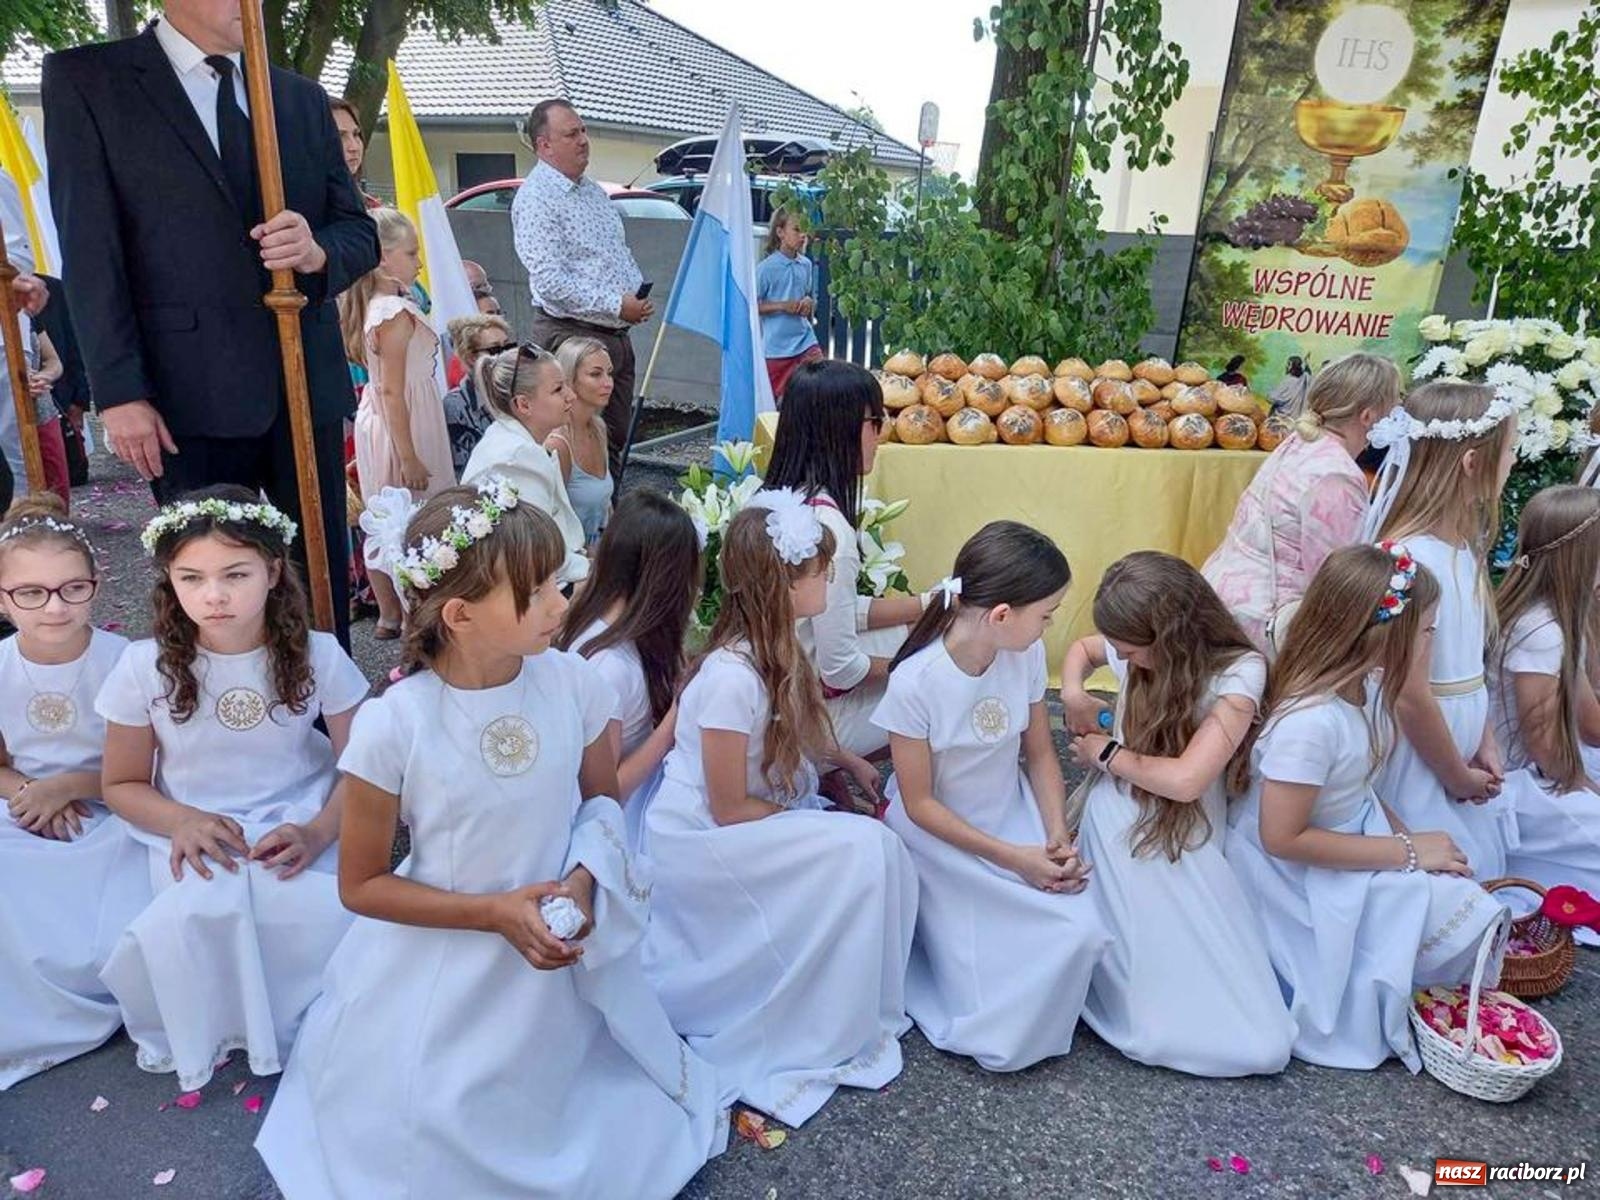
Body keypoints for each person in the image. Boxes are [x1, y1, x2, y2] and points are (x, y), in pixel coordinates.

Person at [258, 480, 729, 1199]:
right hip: (446, 946)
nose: (561, 604)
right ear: (460, 614)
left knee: (583, 1104)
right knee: (434, 1124)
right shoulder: (396, 723)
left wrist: (583, 880)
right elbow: (361, 884)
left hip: (556, 942)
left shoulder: (573, 684)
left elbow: (601, 802)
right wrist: (494, 913)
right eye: (535, 593)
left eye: (557, 582)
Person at [43, 3, 381, 644]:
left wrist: (316, 252)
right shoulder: (90, 81)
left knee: (316, 585)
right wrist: (120, 392)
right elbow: (90, 254)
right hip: (182, 395)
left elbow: (357, 232)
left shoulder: (300, 98)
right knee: (209, 591)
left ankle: (323, 701)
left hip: (301, 384)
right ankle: (219, 703)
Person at [642, 494, 917, 1126]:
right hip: (704, 837)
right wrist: (810, 821)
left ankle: (855, 997)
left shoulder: (781, 646)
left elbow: (795, 729)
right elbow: (726, 805)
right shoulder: (729, 678)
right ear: (784, 584)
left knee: (879, 848)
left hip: (749, 810)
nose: (829, 580)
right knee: (863, 850)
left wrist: (843, 760)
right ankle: (822, 1014)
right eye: (820, 571)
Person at [94, 487, 368, 1091]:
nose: (213, 595)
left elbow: (364, 769)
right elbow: (122, 782)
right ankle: (223, 1025)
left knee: (303, 902)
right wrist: (182, 821)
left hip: (303, 810)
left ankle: (306, 1019)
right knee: (201, 904)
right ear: (170, 580)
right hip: (185, 818)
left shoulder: (319, 654)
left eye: (235, 574)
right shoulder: (144, 666)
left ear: (273, 571)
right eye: (191, 578)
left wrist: (318, 832)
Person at [1227, 543, 1507, 1070]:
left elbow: (1359, 788)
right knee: (1440, 908)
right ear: (1386, 636)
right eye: (1428, 631)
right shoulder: (1311, 724)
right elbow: (1282, 838)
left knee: (1461, 890)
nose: (1433, 641)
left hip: (1354, 833)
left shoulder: (1368, 689)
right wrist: (1408, 853)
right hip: (1297, 873)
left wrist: (1407, 839)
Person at [875, 522, 1106, 1071]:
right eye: (1046, 614)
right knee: (1009, 973)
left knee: (1082, 930)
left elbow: (1041, 755)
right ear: (1001, 615)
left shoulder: (1024, 654)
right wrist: (1014, 859)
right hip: (942, 836)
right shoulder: (915, 681)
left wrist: (1054, 833)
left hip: (1012, 812)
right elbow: (919, 804)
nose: (1049, 625)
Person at [1062, 552, 1295, 1077]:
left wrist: (1105, 752)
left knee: (1260, 1036)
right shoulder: (1134, 649)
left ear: (1169, 639)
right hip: (1118, 818)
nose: (1121, 658)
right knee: (1152, 1006)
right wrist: (1074, 693)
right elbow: (1081, 650)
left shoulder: (1239, 672)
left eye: (1129, 650)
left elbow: (1189, 780)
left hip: (1187, 828)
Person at [0, 496, 147, 1089]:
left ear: (95, 586)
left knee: (124, 874)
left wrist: (68, 787)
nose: (55, 606)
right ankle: (30, 1007)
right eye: (31, 593)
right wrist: (33, 791)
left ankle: (102, 987)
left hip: (113, 804)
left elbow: (151, 762)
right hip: (23, 806)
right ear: (2, 598)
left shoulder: (127, 662)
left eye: (71, 589)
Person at [1366, 380, 1518, 879]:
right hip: (1419, 755)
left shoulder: (1463, 546)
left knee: (1479, 862)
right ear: (1472, 462)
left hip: (1459, 744)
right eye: (1509, 450)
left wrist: (1484, 738)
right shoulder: (1408, 559)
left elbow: (1468, 660)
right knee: (1446, 869)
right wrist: (1454, 774)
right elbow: (1408, 694)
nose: (1514, 461)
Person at [762, 360, 924, 755]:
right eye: (876, 421)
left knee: (923, 633)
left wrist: (924, 606)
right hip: (800, 720)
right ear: (841, 427)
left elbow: (830, 611)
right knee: (941, 683)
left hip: (769, 691)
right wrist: (918, 666)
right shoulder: (830, 527)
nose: (881, 435)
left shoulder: (771, 500)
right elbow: (840, 669)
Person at [1202, 353, 1399, 657]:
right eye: (1394, 405)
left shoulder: (1300, 441)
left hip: (1221, 594)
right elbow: (1336, 579)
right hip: (1264, 621)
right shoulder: (1336, 475)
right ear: (1368, 416)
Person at [512, 99, 652, 477]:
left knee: (613, 439)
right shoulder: (537, 199)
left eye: (584, 130)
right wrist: (615, 304)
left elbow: (614, 253)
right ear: (544, 145)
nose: (583, 140)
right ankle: (573, 515)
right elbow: (550, 282)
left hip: (615, 336)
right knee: (573, 443)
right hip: (572, 336)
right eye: (571, 134)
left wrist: (633, 296)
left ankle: (609, 510)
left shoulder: (593, 192)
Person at [555, 490, 701, 850]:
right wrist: (674, 720)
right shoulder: (610, 664)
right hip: (627, 818)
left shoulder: (616, 628)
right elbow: (602, 793)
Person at [344, 207, 456, 639]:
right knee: (412, 520)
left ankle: (391, 615)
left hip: (385, 419)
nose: (419, 263)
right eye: (411, 253)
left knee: (386, 519)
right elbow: (393, 390)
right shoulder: (391, 312)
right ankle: (412, 618)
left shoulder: (378, 306)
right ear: (381, 259)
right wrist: (408, 455)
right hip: (404, 422)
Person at [1490, 486, 1600, 916]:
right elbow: (1544, 745)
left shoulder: (1563, 618)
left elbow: (1590, 723)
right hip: (1515, 784)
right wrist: (1587, 788)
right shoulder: (1541, 629)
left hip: (1545, 769)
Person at [462, 343, 588, 582]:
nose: (571, 395)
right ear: (523, 404)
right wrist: (590, 571)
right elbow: (541, 553)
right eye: (558, 389)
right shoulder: (517, 455)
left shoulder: (513, 439)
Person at [551, 336, 616, 545]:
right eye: (596, 374)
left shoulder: (598, 428)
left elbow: (606, 507)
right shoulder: (558, 443)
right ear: (569, 379)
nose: (608, 383)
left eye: (609, 373)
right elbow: (550, 519)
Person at [756, 207, 823, 400]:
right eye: (797, 229)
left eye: (805, 230)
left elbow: (806, 295)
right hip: (777, 348)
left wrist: (808, 302)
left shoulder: (806, 264)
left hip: (805, 341)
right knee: (776, 401)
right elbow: (752, 306)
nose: (803, 235)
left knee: (819, 388)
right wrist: (782, 306)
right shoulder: (766, 269)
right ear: (780, 232)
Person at [441, 313, 511, 477]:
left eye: (508, 347)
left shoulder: (520, 389)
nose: (506, 355)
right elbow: (463, 466)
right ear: (471, 357)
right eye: (495, 350)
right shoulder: (455, 405)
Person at [329, 97, 380, 209]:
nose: (354, 147)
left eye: (356, 134)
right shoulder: (295, 209)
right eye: (340, 136)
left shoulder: (371, 207)